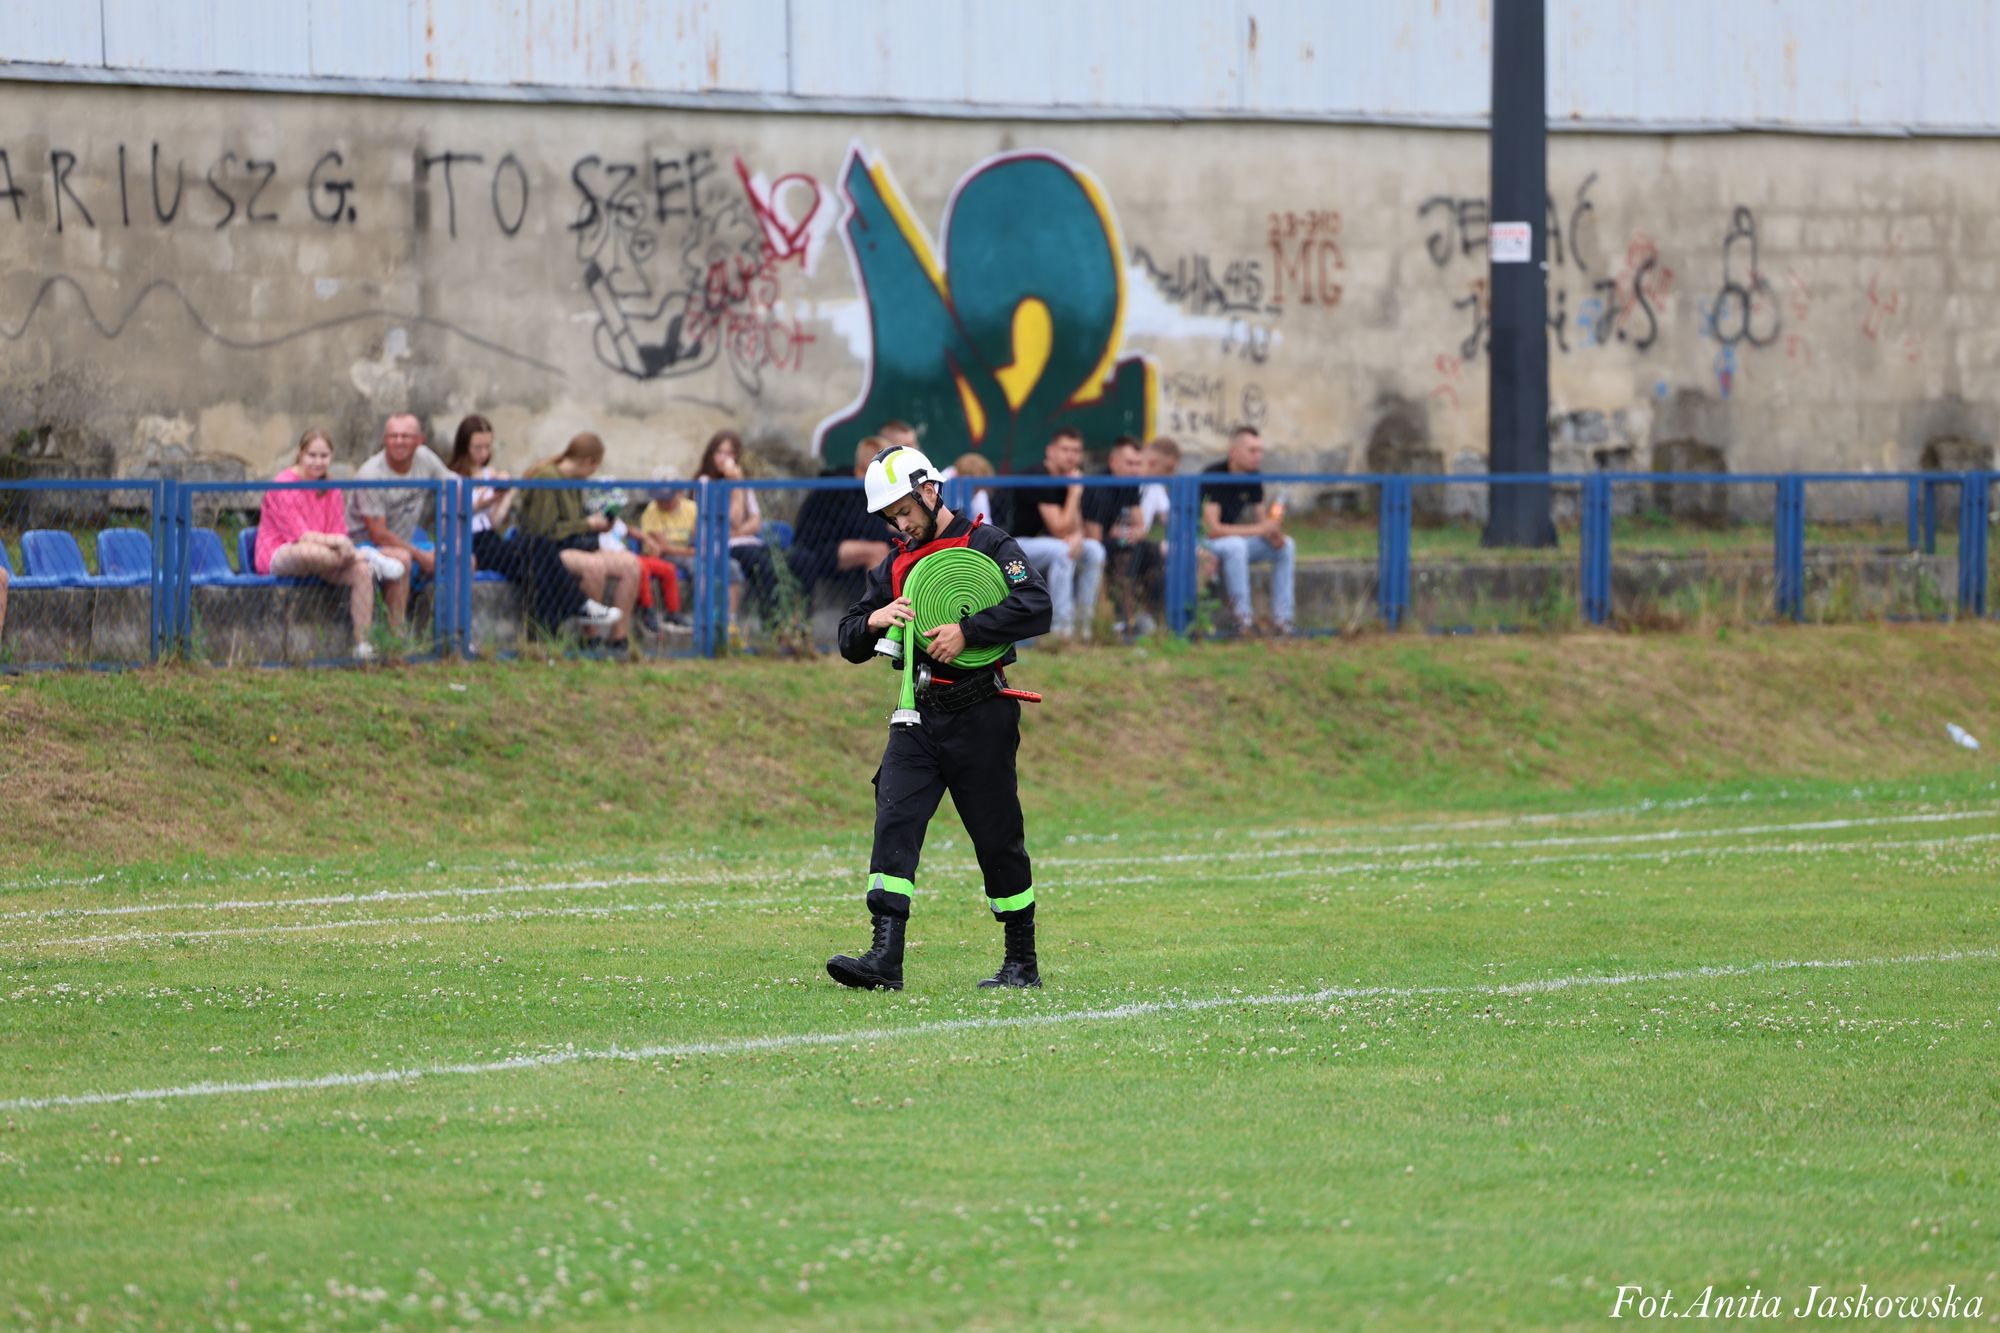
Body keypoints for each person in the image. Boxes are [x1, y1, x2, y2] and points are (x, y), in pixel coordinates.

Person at [827, 442, 1053, 991]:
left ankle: (1021, 962)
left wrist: (969, 631)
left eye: (904, 511)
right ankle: (885, 959)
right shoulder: (894, 564)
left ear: (930, 491)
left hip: (983, 713)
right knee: (894, 820)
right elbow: (848, 639)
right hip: (917, 716)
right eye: (890, 517)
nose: (900, 525)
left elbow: (1038, 605)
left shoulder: (990, 544)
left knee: (998, 838)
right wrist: (876, 619)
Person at [446, 415, 615, 638]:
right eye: (477, 447)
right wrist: (483, 500)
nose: (483, 453)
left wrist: (506, 495)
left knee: (539, 558)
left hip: (490, 536)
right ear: (464, 446)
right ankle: (579, 606)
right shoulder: (451, 476)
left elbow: (494, 521)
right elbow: (453, 515)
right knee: (539, 553)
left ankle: (545, 634)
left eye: (487, 446)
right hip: (467, 542)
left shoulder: (489, 474)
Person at [257, 428, 392, 660]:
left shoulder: (330, 486)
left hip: (328, 557)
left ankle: (363, 644)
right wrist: (338, 542)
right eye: (312, 455)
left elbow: (339, 530)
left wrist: (338, 542)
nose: (318, 462)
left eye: (324, 456)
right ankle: (364, 554)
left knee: (361, 572)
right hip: (281, 552)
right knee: (308, 553)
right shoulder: (284, 484)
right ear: (300, 454)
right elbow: (299, 536)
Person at [516, 432, 639, 652]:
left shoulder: (573, 481)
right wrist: (587, 525)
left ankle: (618, 639)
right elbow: (542, 530)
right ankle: (589, 638)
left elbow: (576, 521)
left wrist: (598, 523)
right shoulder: (547, 478)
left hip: (576, 543)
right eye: (595, 466)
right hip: (551, 549)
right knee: (595, 567)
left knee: (631, 565)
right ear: (588, 462)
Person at [347, 412, 453, 632]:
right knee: (402, 559)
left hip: (404, 542)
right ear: (384, 440)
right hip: (365, 547)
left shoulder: (425, 458)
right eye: (393, 436)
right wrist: (422, 557)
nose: (398, 441)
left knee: (463, 560)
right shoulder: (371, 475)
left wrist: (493, 487)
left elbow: (455, 486)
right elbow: (378, 534)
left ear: (419, 440)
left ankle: (452, 634)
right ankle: (397, 634)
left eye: (405, 436)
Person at [1009, 426, 1106, 639]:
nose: (1071, 456)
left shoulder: (1069, 478)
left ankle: (1084, 624)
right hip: (1014, 545)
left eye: (1076, 450)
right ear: (1050, 451)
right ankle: (1063, 628)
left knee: (1095, 550)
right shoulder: (1038, 476)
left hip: (1049, 543)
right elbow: (1059, 527)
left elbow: (1074, 526)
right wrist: (1074, 492)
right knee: (1063, 550)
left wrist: (1078, 536)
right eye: (1065, 449)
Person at [1201, 425, 1296, 635]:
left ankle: (1283, 620)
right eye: (1252, 451)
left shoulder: (1254, 477)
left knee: (1286, 546)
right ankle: (1243, 621)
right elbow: (1212, 530)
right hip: (1206, 545)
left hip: (1235, 542)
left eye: (1260, 450)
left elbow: (1262, 522)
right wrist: (1260, 528)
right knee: (1236, 546)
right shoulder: (1214, 475)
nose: (1258, 456)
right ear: (1234, 452)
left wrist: (1273, 534)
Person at [694, 429, 786, 622]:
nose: (724, 458)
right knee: (763, 566)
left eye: (729, 454)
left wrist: (736, 532)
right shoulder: (705, 483)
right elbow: (734, 519)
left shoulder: (743, 481)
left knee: (792, 561)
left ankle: (790, 623)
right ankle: (772, 621)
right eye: (719, 452)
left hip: (746, 541)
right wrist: (734, 486)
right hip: (722, 548)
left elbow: (755, 521)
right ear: (711, 455)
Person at [790, 435, 893, 602]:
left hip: (845, 546)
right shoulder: (839, 487)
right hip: (817, 548)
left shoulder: (871, 489)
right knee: (877, 550)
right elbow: (860, 528)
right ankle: (877, 614)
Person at [1085, 436, 1161, 634]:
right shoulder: (1097, 487)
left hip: (1116, 540)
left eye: (1138, 464)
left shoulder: (1130, 483)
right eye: (1129, 463)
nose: (1135, 469)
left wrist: (1124, 533)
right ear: (1113, 462)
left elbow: (1141, 527)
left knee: (1151, 550)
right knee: (1127, 554)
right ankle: (1124, 617)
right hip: (1094, 545)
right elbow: (1095, 536)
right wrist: (1125, 533)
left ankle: (1151, 615)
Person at [948, 451, 1004, 531]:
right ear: (957, 475)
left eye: (979, 488)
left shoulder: (980, 493)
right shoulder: (940, 484)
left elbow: (986, 524)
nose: (977, 491)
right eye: (975, 488)